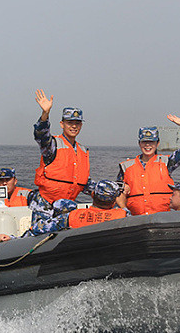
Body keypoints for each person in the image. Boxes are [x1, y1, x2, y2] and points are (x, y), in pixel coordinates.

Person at [32, 89, 95, 218]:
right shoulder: (52, 145)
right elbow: (41, 135)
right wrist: (45, 113)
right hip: (46, 208)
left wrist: (112, 189)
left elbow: (84, 183)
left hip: (67, 209)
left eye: (77, 123)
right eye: (70, 123)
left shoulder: (83, 151)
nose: (74, 126)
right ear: (62, 124)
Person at [116, 115, 180, 215]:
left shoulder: (166, 162)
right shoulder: (126, 166)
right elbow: (116, 193)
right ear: (139, 144)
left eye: (151, 142)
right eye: (144, 142)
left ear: (157, 144)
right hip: (135, 220)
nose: (148, 145)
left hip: (162, 219)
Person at [28, 180, 128, 235]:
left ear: (92, 194)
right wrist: (123, 206)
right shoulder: (122, 215)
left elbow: (38, 228)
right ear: (114, 201)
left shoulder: (73, 216)